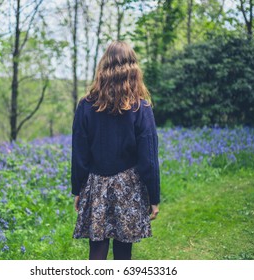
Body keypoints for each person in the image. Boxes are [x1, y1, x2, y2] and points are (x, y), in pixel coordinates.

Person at [71, 41, 160, 260]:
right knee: (123, 250)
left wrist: (78, 189)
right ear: (133, 69)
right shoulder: (141, 107)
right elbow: (148, 158)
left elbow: (79, 153)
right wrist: (153, 196)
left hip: (96, 184)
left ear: (104, 66)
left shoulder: (86, 105)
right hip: (128, 187)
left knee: (97, 247)